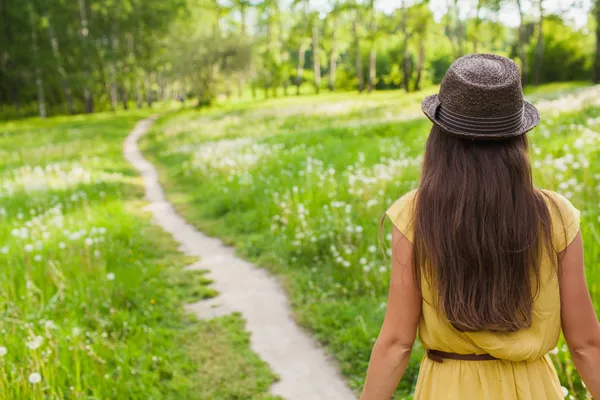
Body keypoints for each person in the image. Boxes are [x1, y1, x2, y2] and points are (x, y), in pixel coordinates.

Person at [360, 54, 600, 399]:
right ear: (518, 139)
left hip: (448, 388)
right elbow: (587, 345)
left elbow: (397, 344)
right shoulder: (557, 215)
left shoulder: (414, 214)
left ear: (439, 137)